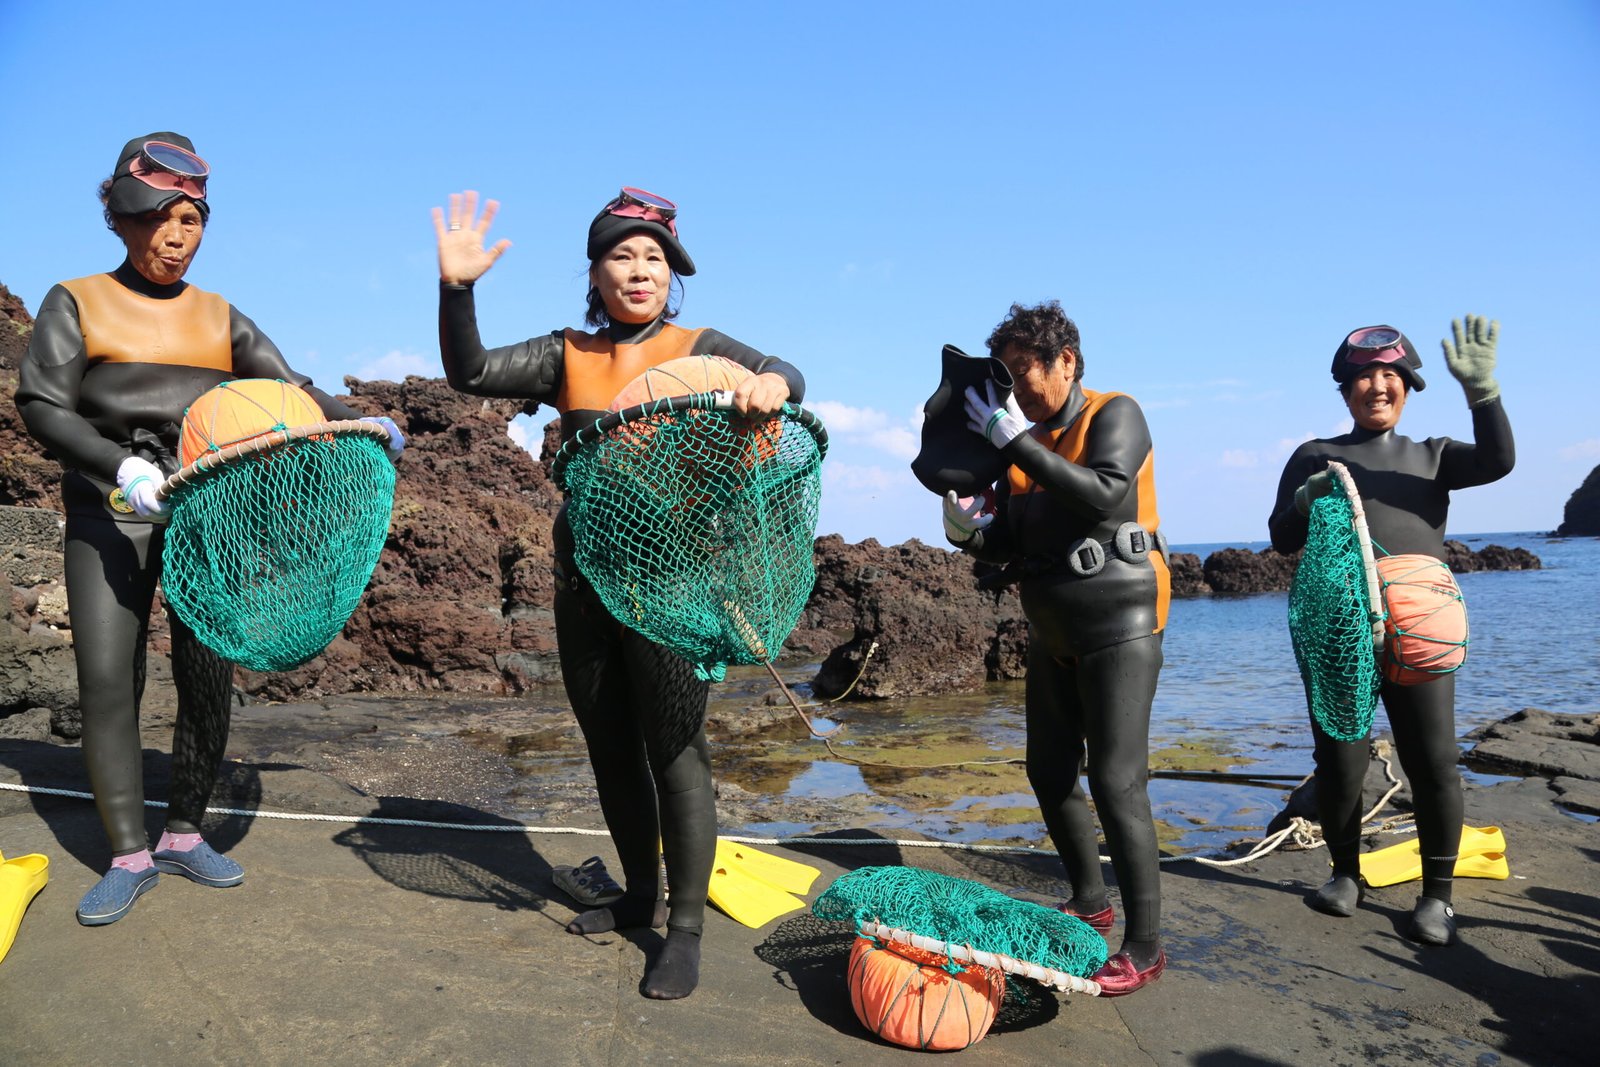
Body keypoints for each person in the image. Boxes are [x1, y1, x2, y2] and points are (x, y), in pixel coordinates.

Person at [14, 132, 401, 926]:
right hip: (112, 508)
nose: (176, 236)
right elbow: (42, 405)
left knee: (206, 670)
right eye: (158, 218)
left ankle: (185, 832)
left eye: (191, 221)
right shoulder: (77, 300)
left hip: (207, 512)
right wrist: (121, 467)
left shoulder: (219, 315)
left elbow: (292, 388)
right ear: (121, 219)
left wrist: (361, 420)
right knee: (108, 677)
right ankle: (128, 854)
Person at [433, 187, 804, 999]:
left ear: (673, 275)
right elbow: (471, 371)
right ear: (595, 273)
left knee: (676, 751)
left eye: (655, 258)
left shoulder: (700, 345)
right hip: (582, 585)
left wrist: (772, 384)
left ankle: (685, 929)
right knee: (609, 749)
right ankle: (640, 895)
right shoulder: (569, 353)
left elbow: (788, 372)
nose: (640, 270)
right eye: (622, 255)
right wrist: (457, 287)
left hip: (672, 584)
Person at [945, 301, 1169, 995]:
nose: (1015, 390)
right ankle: (1090, 899)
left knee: (1116, 781)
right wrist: (966, 531)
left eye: (1024, 371)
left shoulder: (1115, 413)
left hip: (1121, 621)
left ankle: (1146, 945)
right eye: (1006, 378)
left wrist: (1012, 440)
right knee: (1048, 770)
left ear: (1066, 360)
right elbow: (1012, 540)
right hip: (1053, 629)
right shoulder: (1023, 451)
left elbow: (1103, 495)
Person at [1269, 316, 1513, 945]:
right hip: (1339, 630)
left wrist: (1483, 392)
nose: (1377, 387)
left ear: (1407, 385)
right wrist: (1304, 500)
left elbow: (1498, 461)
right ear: (1345, 390)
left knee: (1433, 761)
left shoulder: (1433, 456)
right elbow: (1281, 537)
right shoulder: (1316, 456)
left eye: (1389, 376)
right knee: (1339, 758)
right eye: (1363, 378)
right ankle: (1344, 874)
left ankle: (1438, 897)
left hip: (1421, 628)